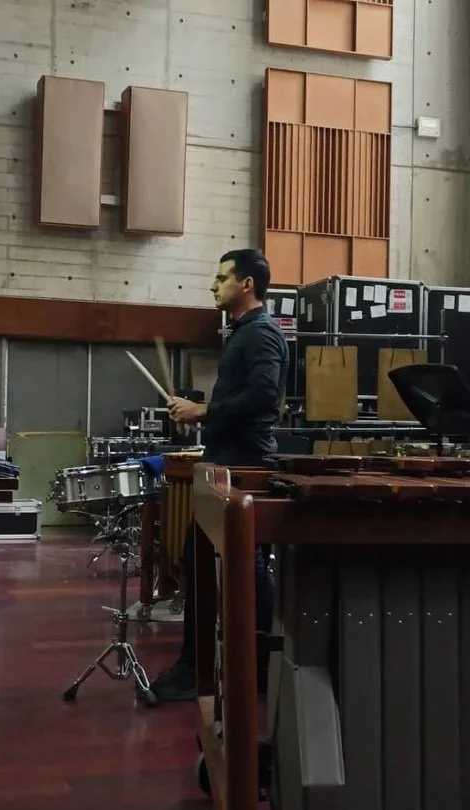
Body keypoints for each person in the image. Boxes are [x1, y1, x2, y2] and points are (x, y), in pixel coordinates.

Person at [150, 248, 289, 702]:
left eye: (222, 277)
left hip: (243, 466)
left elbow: (265, 396)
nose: (213, 285)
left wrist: (205, 411)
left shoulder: (261, 333)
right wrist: (200, 413)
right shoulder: (245, 333)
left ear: (247, 284)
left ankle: (228, 668)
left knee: (238, 567)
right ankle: (218, 666)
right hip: (230, 459)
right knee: (209, 564)